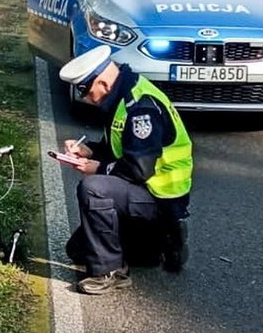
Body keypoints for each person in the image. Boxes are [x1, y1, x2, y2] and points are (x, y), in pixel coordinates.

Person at [58, 45, 193, 295]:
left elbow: (138, 168)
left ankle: (111, 272)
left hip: (160, 199)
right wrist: (89, 151)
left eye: (86, 90)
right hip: (141, 195)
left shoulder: (141, 108)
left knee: (94, 188)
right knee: (78, 251)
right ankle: (160, 243)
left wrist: (97, 167)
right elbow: (123, 149)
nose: (86, 97)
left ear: (104, 83)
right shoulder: (124, 95)